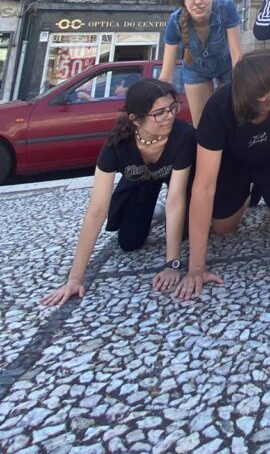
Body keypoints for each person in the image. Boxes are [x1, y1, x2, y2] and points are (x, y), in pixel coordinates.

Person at [41, 80, 195, 306]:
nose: (169, 116)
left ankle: (167, 216)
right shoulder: (117, 143)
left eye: (173, 108)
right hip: (139, 181)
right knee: (129, 242)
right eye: (159, 113)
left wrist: (172, 264)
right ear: (135, 119)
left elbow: (176, 198)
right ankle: (154, 212)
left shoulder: (183, 136)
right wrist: (74, 279)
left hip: (174, 178)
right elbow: (96, 210)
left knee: (186, 230)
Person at [175, 50, 270, 299]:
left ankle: (264, 190)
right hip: (234, 163)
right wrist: (196, 267)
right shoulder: (218, 108)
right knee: (222, 228)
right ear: (261, 95)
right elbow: (204, 185)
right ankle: (247, 193)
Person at [160, 0, 243, 128]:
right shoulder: (175, 21)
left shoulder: (226, 8)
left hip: (226, 66)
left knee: (235, 118)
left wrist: (243, 85)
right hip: (195, 70)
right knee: (203, 125)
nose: (198, 2)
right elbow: (166, 74)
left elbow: (237, 54)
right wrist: (157, 99)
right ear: (184, 1)